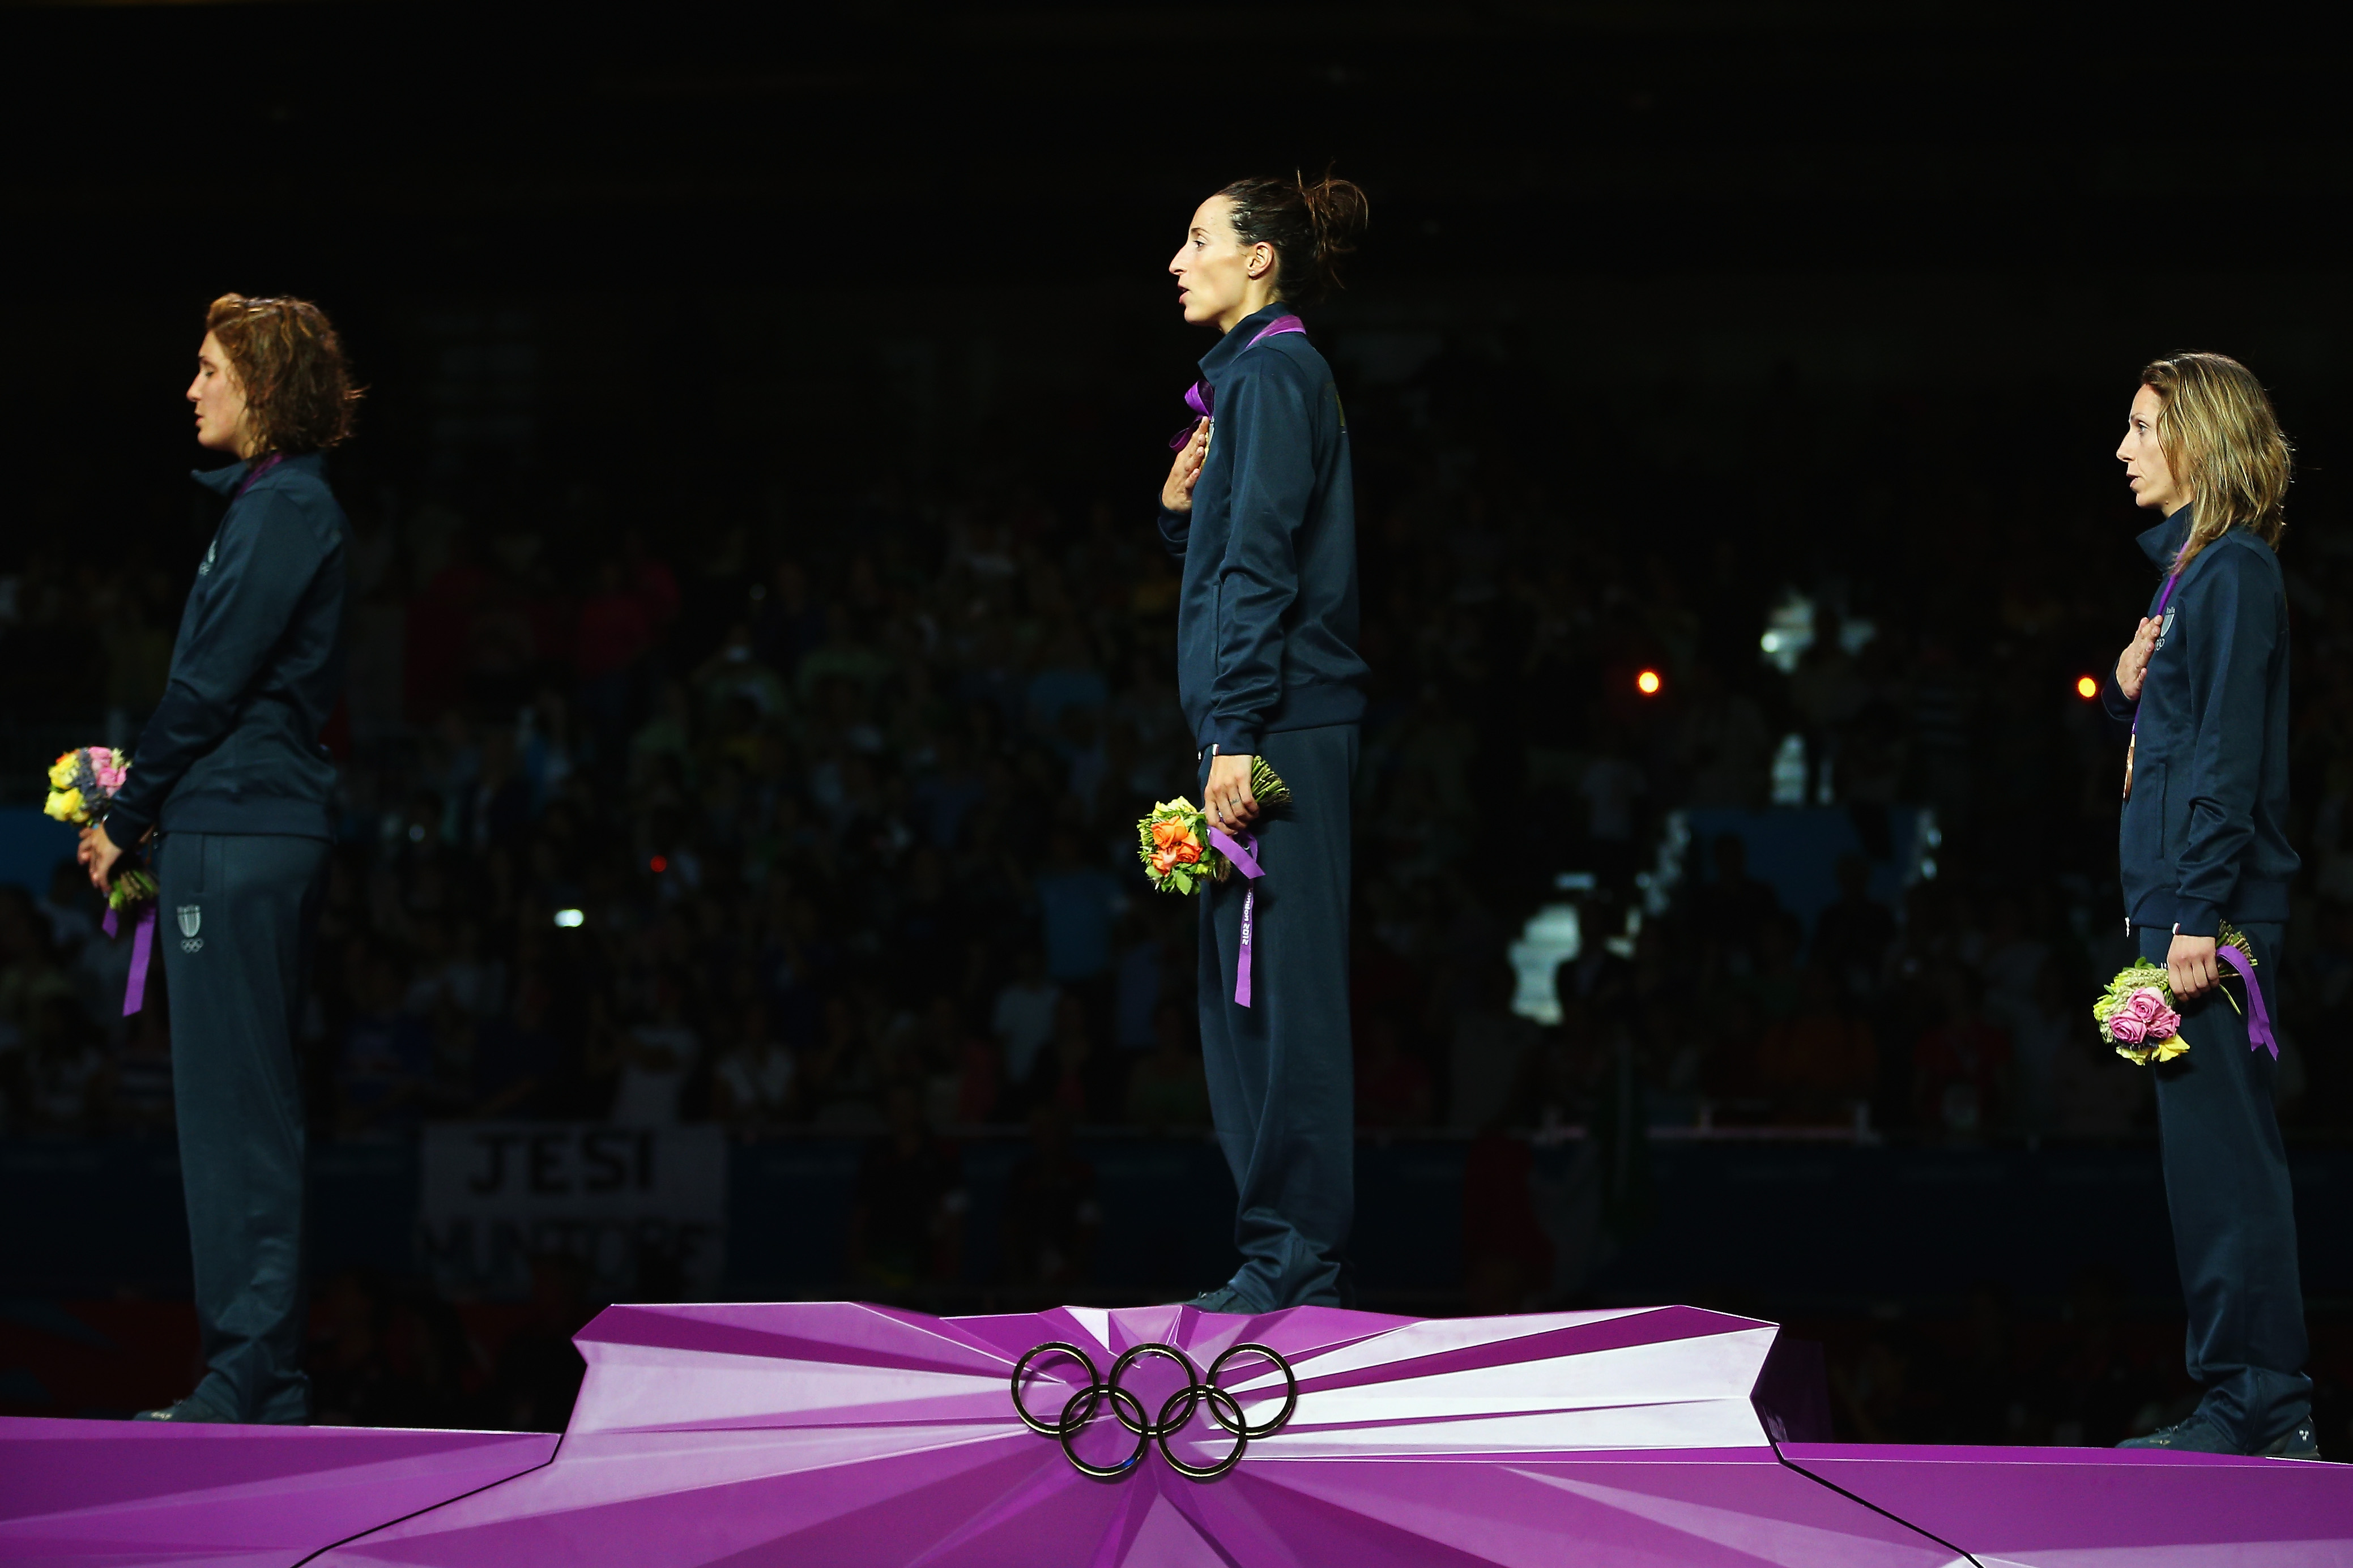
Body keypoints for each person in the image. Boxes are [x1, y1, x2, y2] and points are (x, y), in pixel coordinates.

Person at [81, 294, 357, 1423]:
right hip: (231, 824)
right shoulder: (263, 504)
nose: (192, 388)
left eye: (209, 370)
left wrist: (130, 808)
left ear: (264, 387)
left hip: (238, 830)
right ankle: (253, 1373)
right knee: (236, 1111)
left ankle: (250, 1375)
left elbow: (211, 682)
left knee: (237, 1114)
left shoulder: (284, 505)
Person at [1157, 172, 1371, 1311]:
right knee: (1234, 996)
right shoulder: (1245, 382)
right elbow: (1231, 546)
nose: (1177, 261)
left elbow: (1265, 566)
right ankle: (1274, 1250)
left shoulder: (1278, 375)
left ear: (1260, 262)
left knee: (1285, 996)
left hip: (1277, 722)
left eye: (1199, 240)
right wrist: (1176, 514)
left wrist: (1236, 729)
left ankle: (1298, 1258)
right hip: (1249, 724)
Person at [2102, 352, 2312, 1457]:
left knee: (2228, 1165)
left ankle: (2262, 1402)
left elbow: (2229, 751)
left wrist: (2194, 914)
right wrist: (2131, 688)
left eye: (2143, 427)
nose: (2124, 448)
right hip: (2176, 910)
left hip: (2204, 922)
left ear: (2200, 437)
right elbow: (2177, 744)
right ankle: (2244, 1395)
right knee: (2203, 1170)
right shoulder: (2188, 575)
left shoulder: (2231, 572)